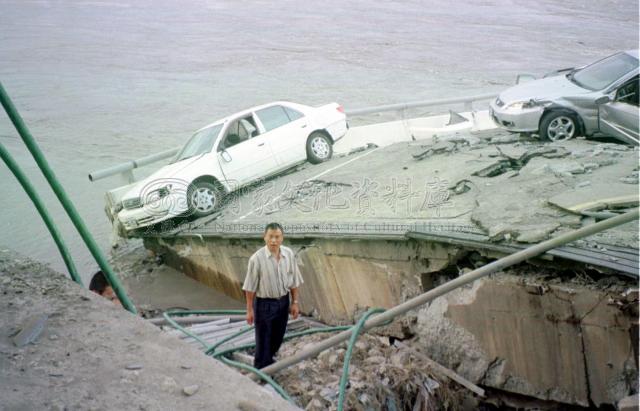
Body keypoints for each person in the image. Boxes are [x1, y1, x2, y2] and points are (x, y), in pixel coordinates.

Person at [242, 222, 304, 369]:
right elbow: (250, 288)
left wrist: (294, 302)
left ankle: (268, 362)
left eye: (277, 237)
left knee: (278, 337)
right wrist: (249, 310)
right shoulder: (256, 259)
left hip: (283, 302)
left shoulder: (288, 254)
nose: (274, 240)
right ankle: (261, 371)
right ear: (264, 237)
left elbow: (294, 280)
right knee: (263, 340)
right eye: (270, 237)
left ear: (282, 238)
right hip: (264, 305)